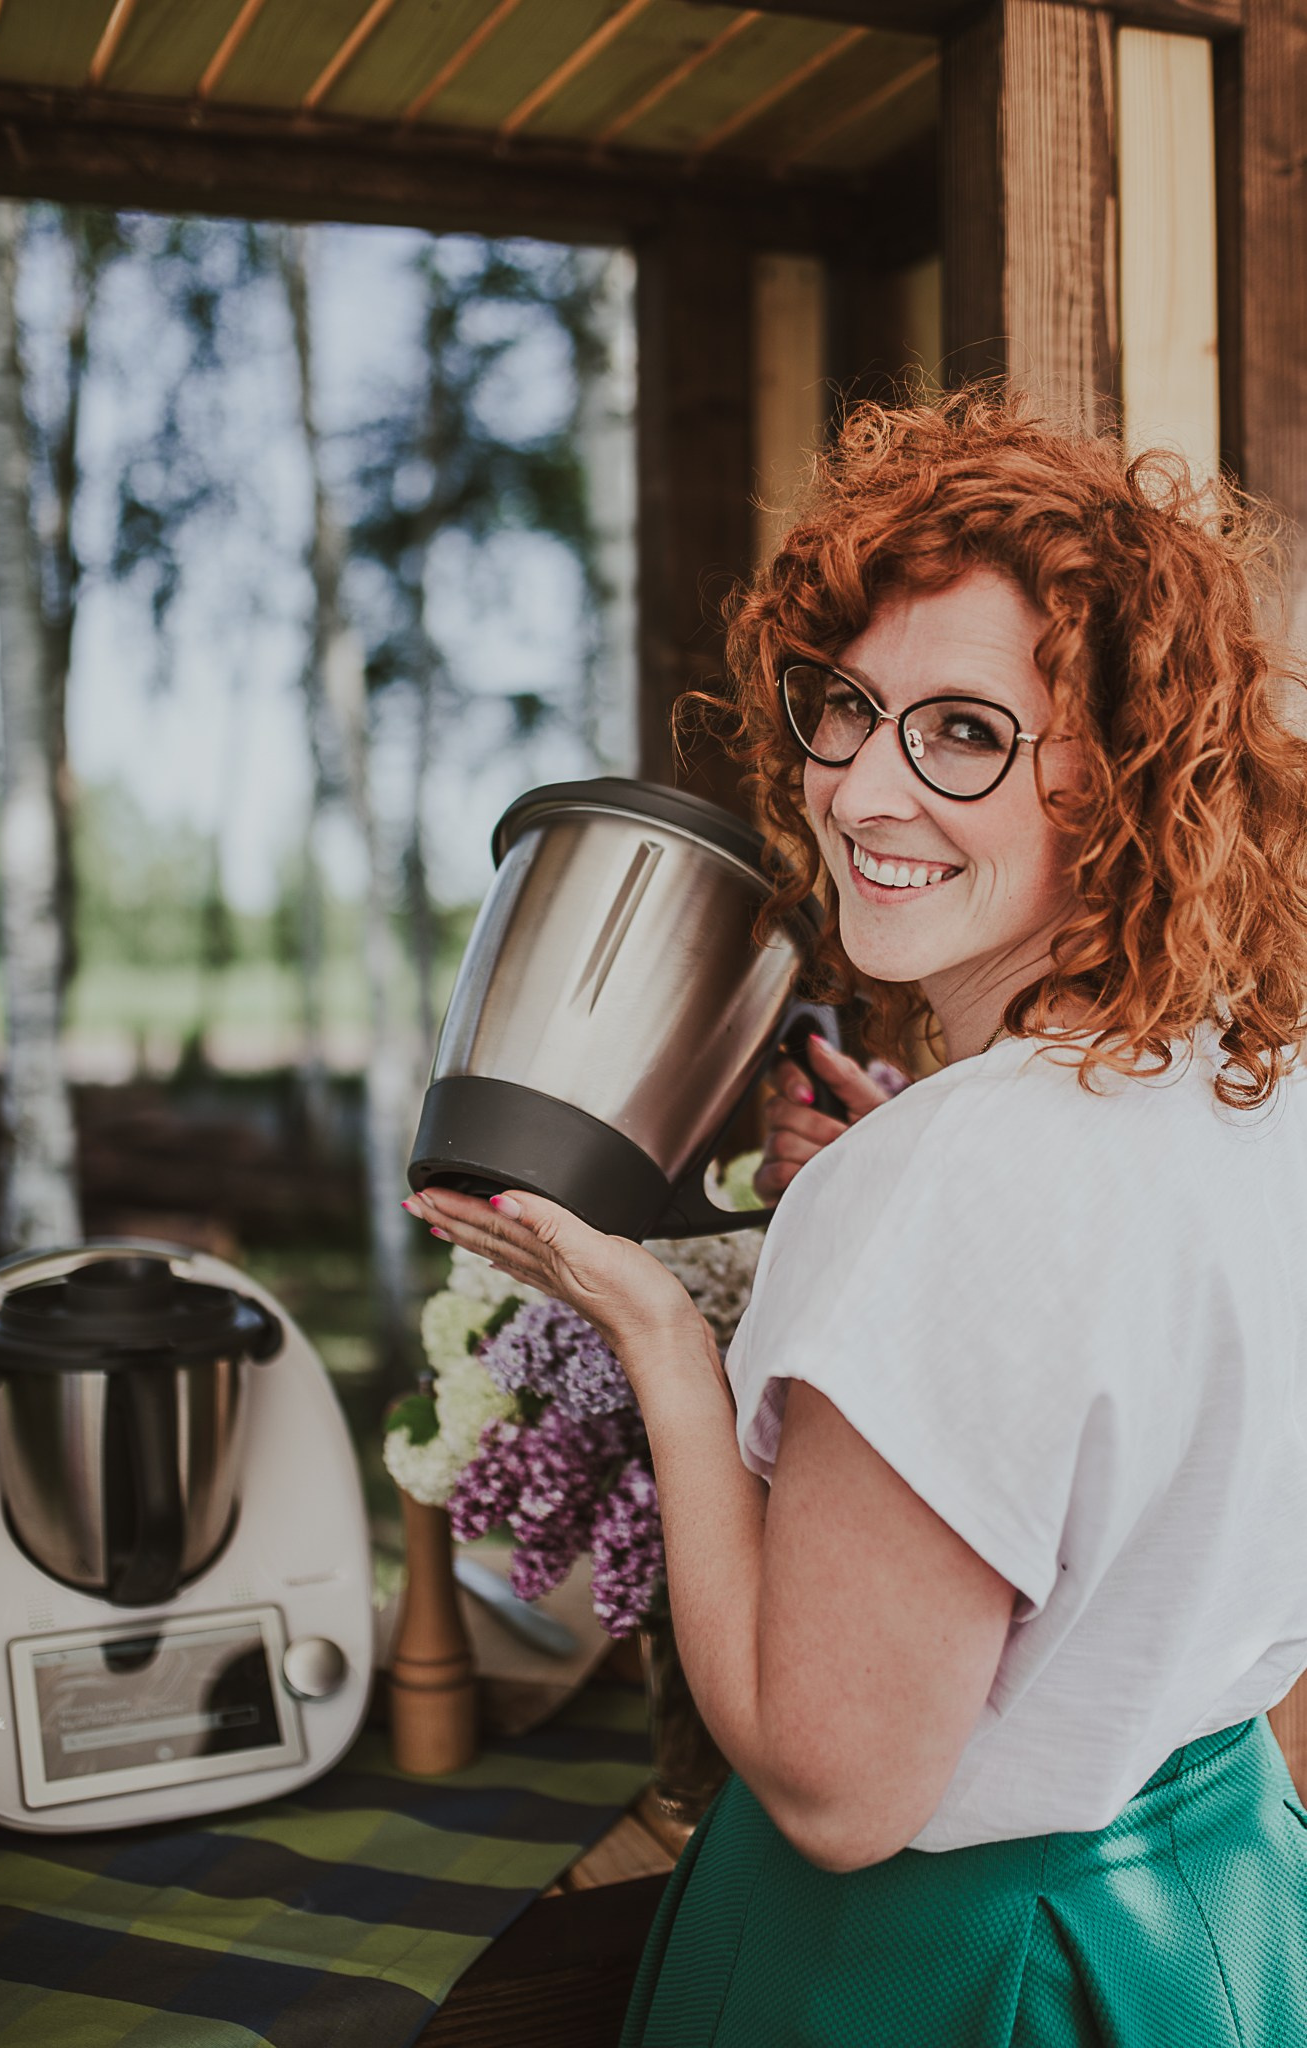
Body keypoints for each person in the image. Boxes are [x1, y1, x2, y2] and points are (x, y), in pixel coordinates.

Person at [403, 390, 1307, 2044]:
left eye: (964, 731)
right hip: (1212, 1906)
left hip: (950, 1969)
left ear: (1118, 776)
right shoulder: (1251, 1078)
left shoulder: (953, 1184)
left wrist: (671, 1337)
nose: (864, 797)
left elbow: (837, 1792)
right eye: (848, 710)